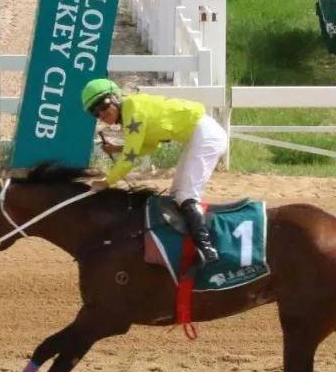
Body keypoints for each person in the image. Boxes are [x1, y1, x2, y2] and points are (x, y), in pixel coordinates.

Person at [81, 78, 227, 267]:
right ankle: (190, 247)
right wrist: (118, 148)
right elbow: (150, 145)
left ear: (115, 97)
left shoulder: (133, 109)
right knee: (176, 195)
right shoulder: (129, 114)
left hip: (207, 136)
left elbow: (129, 159)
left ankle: (209, 253)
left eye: (103, 105)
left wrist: (106, 182)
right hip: (200, 136)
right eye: (95, 112)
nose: (101, 114)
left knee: (186, 196)